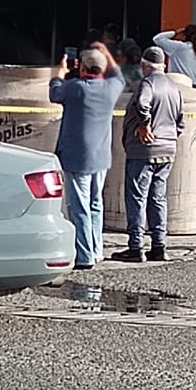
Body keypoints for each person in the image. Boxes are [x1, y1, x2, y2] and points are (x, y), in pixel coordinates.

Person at [48, 41, 125, 270]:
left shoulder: (75, 88)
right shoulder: (111, 88)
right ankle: (97, 248)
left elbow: (54, 93)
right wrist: (106, 53)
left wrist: (60, 72)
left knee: (79, 206)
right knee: (95, 203)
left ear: (82, 68)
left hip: (76, 156)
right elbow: (118, 74)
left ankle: (84, 255)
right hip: (101, 156)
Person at [111, 46, 184, 263]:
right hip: (167, 150)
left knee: (137, 198)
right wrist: (168, 137)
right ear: (165, 65)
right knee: (158, 198)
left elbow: (143, 103)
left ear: (144, 66)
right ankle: (159, 246)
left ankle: (136, 247)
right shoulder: (174, 87)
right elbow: (181, 123)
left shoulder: (148, 84)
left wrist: (145, 124)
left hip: (143, 150)